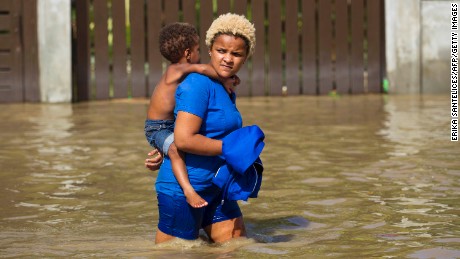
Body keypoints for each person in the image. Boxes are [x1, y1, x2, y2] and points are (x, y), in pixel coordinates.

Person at [153, 13, 258, 244]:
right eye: (222, 51)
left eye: (236, 54)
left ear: (245, 57)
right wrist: (230, 148)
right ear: (210, 50)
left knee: (237, 247)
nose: (228, 59)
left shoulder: (226, 85)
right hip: (184, 191)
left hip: (219, 187)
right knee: (175, 254)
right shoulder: (197, 84)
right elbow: (184, 139)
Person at [144, 22, 239, 208]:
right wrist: (225, 77)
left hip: (168, 125)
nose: (199, 54)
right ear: (187, 53)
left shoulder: (178, 73)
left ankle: (165, 154)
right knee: (175, 149)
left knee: (173, 146)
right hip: (157, 127)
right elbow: (203, 69)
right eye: (197, 50)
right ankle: (188, 190)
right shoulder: (176, 70)